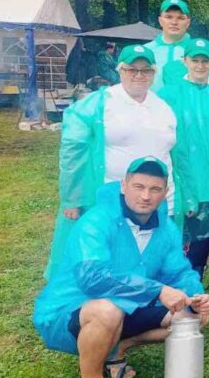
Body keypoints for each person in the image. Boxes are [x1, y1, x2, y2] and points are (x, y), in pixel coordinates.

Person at [33, 157, 209, 378]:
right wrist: (157, 290)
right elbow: (92, 278)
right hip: (72, 310)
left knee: (191, 317)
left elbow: (180, 271)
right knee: (107, 311)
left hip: (128, 307)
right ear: (123, 185)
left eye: (155, 189)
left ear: (165, 193)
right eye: (138, 186)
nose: (146, 196)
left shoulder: (166, 227)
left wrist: (195, 296)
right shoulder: (96, 220)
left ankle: (117, 347)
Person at [46, 45, 177, 279]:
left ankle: (143, 302)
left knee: (149, 253)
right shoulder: (99, 104)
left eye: (145, 70)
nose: (139, 75)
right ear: (119, 70)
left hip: (156, 199)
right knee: (107, 255)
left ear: (154, 73)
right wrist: (73, 198)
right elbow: (73, 152)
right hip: (112, 197)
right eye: (131, 69)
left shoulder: (164, 107)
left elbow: (174, 152)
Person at [158, 38, 209, 277]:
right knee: (175, 236)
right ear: (185, 61)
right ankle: (172, 285)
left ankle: (195, 284)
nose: (200, 65)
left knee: (203, 235)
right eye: (195, 60)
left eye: (205, 60)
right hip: (178, 176)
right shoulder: (168, 94)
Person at [144, 0, 193, 90]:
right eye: (168, 17)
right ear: (160, 20)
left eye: (180, 18)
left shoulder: (198, 52)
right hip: (152, 103)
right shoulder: (146, 50)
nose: (174, 22)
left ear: (188, 23)